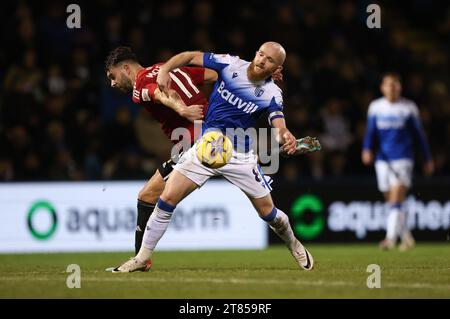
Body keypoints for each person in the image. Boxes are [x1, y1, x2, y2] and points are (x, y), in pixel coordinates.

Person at [111, 42, 316, 272]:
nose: (261, 60)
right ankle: (142, 258)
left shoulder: (272, 93)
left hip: (239, 155)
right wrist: (167, 70)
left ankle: (294, 244)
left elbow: (278, 123)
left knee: (269, 214)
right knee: (167, 198)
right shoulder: (230, 64)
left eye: (269, 60)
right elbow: (189, 55)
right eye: (260, 54)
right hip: (206, 145)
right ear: (255, 53)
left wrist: (285, 136)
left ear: (277, 68)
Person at [105, 47, 218, 268]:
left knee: (148, 196)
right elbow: (215, 75)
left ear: (126, 68)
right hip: (216, 136)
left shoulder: (139, 86)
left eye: (112, 76)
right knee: (257, 192)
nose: (112, 83)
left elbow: (160, 94)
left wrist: (183, 110)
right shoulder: (170, 69)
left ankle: (140, 260)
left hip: (195, 147)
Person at [362, 72, 434, 251]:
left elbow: (419, 136)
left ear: (400, 87)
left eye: (395, 85)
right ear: (382, 88)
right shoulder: (376, 107)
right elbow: (371, 132)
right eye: (388, 85)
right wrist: (367, 149)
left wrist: (427, 158)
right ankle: (407, 236)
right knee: (392, 202)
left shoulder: (408, 107)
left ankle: (390, 239)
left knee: (396, 199)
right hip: (382, 160)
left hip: (403, 159)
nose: (392, 88)